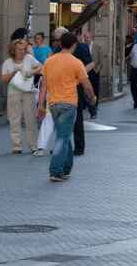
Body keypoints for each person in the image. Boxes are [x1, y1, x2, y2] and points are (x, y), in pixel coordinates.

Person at [36, 31, 96, 182]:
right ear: (74, 45)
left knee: (64, 135)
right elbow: (87, 85)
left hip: (53, 104)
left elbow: (43, 86)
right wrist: (93, 98)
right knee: (62, 138)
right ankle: (55, 171)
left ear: (60, 44)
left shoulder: (49, 61)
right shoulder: (76, 62)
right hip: (69, 104)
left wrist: (41, 105)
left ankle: (66, 168)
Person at [1, 38, 43, 156]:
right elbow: (4, 79)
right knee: (14, 118)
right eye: (19, 49)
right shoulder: (7, 62)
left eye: (24, 49)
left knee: (31, 119)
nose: (22, 51)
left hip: (28, 91)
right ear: (13, 50)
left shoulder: (29, 58)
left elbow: (41, 67)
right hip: (14, 91)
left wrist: (31, 72)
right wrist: (14, 72)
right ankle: (16, 146)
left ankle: (33, 145)